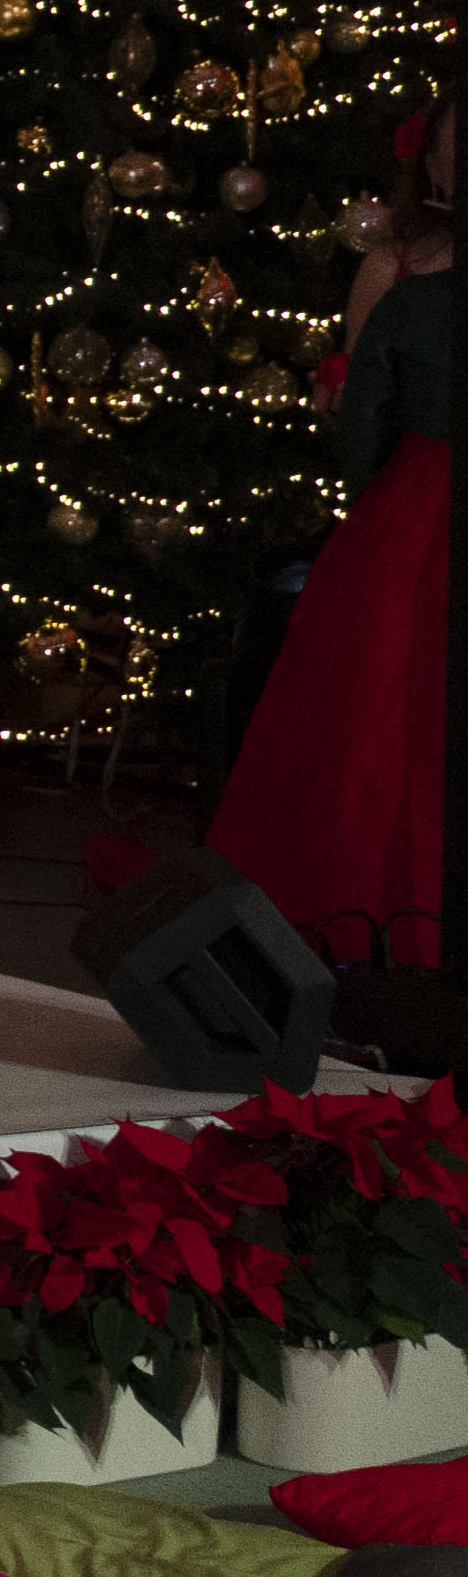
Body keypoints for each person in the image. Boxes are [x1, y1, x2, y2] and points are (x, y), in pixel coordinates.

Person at [213, 111, 457, 986]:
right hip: (410, 521)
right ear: (431, 163)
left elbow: (362, 432)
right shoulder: (397, 270)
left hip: (410, 512)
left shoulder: (411, 288)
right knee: (378, 717)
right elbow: (361, 421)